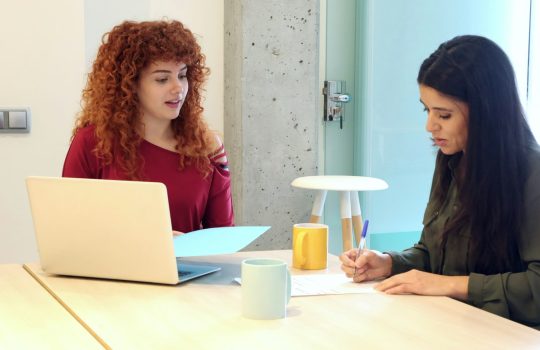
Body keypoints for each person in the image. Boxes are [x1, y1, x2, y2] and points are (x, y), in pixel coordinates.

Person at [340, 35, 540, 328]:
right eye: (427, 109)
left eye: (444, 114)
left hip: (506, 335)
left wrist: (449, 285)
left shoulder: (532, 174)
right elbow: (435, 252)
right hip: (451, 323)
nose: (430, 126)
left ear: (486, 112)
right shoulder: (453, 159)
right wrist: (389, 262)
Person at [63, 20, 234, 234]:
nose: (178, 88)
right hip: (111, 268)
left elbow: (223, 237)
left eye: (182, 75)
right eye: (162, 79)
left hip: (187, 268)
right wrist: (150, 241)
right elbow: (70, 229)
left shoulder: (207, 146)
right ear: (130, 84)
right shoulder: (93, 142)